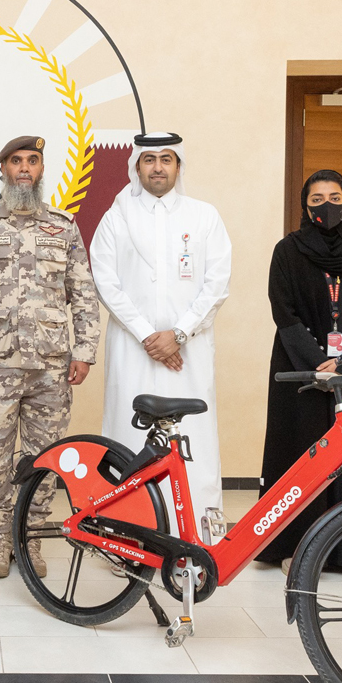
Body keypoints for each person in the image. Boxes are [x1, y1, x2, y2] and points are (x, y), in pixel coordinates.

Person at [0, 136, 100, 578]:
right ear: (4, 169)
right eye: (16, 161)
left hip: (51, 367)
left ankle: (31, 538)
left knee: (45, 458)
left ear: (41, 168)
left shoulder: (63, 226)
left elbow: (84, 294)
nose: (25, 168)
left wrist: (84, 351)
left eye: (33, 160)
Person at [90, 132, 231, 539]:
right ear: (136, 167)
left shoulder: (204, 216)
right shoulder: (117, 216)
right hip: (133, 350)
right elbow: (105, 279)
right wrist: (149, 336)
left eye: (166, 159)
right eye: (149, 160)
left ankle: (197, 536)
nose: (157, 167)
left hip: (189, 353)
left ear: (178, 167)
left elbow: (217, 283)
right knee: (127, 437)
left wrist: (180, 334)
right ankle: (125, 536)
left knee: (193, 440)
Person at [257, 169, 342, 580]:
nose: (327, 206)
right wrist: (316, 362)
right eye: (316, 200)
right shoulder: (288, 251)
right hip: (300, 368)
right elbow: (284, 312)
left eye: (334, 197)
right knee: (303, 455)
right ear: (304, 206)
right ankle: (296, 545)